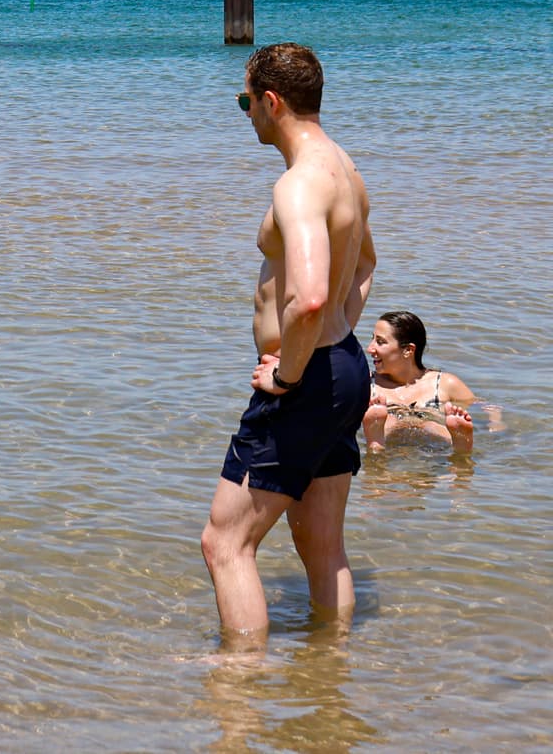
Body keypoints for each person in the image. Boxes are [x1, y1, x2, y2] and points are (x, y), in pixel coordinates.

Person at [201, 43, 377, 644]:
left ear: (271, 102)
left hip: (308, 378)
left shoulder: (299, 186)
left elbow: (307, 298)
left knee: (225, 543)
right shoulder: (346, 170)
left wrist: (287, 376)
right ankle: (329, 673)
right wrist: (337, 336)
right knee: (320, 541)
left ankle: (239, 688)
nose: (245, 111)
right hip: (345, 368)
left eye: (244, 100)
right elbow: (367, 266)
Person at [363, 310, 497, 454]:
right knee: (389, 421)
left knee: (431, 425)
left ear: (408, 350)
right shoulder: (366, 383)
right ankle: (375, 440)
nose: (370, 348)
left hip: (433, 441)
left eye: (380, 342)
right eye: (372, 339)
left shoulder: (445, 383)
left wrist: (496, 424)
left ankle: (460, 442)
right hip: (388, 436)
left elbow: (489, 407)